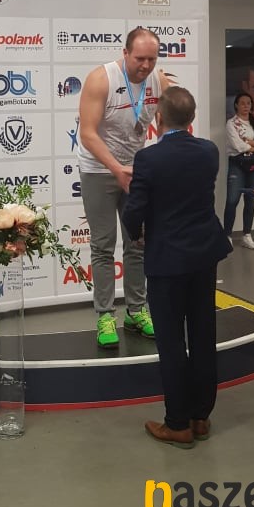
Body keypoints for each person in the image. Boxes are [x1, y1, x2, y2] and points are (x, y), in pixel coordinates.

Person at [122, 87, 231, 449]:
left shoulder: (148, 158)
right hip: (204, 255)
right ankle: (201, 417)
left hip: (167, 259)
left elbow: (134, 210)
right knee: (203, 335)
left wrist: (137, 234)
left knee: (171, 343)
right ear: (192, 118)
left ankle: (177, 424)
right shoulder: (208, 151)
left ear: (158, 119)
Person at [77, 27, 168, 348]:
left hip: (136, 172)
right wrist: (116, 169)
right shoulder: (101, 79)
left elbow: (166, 123)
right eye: (140, 58)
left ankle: (136, 311)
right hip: (99, 170)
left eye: (152, 59)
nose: (146, 66)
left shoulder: (159, 81)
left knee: (137, 243)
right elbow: (87, 133)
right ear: (125, 52)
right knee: (103, 245)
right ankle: (105, 315)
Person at [223, 91, 254, 249]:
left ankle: (247, 235)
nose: (246, 106)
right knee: (232, 200)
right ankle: (227, 235)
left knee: (250, 201)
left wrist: (250, 142)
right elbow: (238, 146)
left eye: (248, 103)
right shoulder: (231, 124)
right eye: (242, 103)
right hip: (237, 164)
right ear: (236, 105)